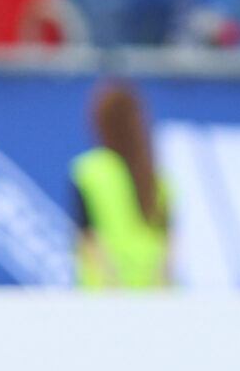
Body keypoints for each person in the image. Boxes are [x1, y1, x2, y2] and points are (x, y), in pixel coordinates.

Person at [69, 80, 172, 290]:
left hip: (105, 297)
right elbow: (169, 249)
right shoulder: (160, 178)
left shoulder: (89, 171)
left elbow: (88, 240)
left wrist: (113, 285)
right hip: (154, 296)